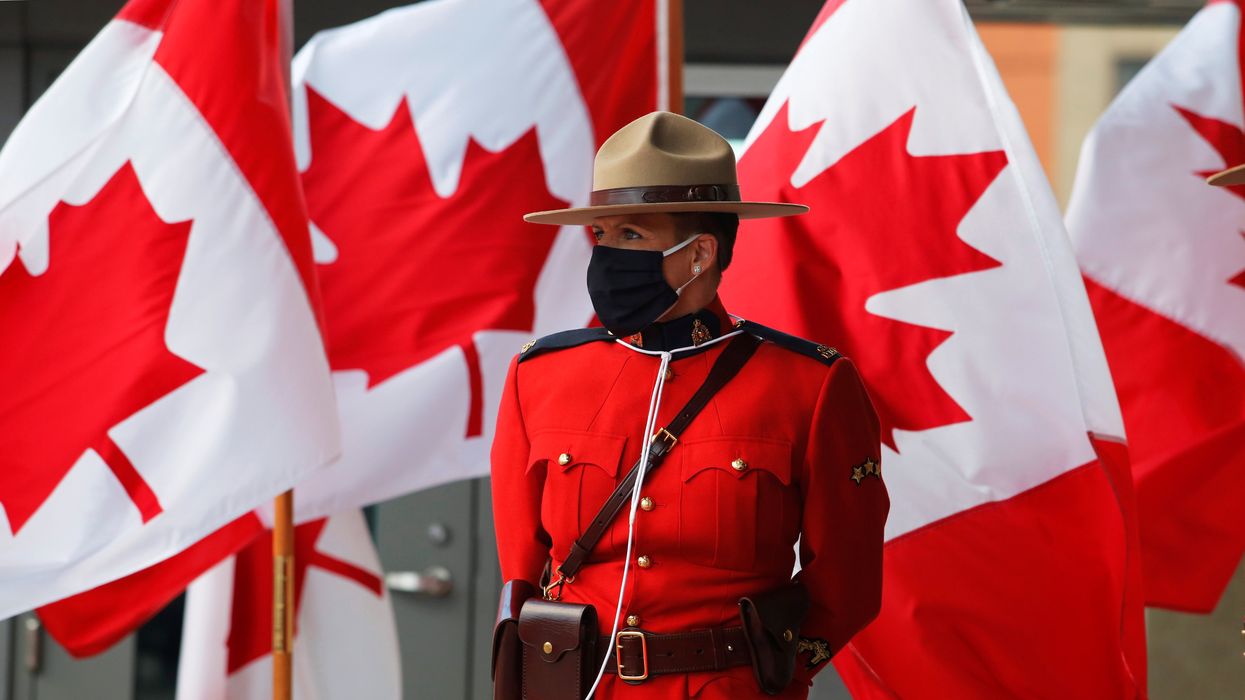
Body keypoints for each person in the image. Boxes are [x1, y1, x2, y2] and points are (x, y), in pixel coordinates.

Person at [491, 111, 888, 699]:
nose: (605, 255)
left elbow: (848, 581)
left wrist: (768, 677)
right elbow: (524, 569)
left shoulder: (810, 384)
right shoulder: (539, 376)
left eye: (631, 236)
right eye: (601, 234)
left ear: (701, 254)